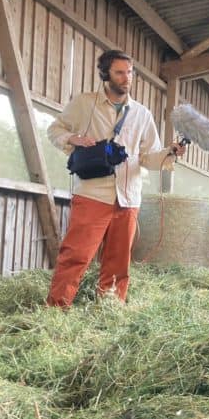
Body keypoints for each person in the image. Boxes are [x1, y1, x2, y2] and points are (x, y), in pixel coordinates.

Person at [46, 49, 186, 307]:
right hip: (92, 194)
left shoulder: (142, 114)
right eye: (120, 72)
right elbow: (54, 129)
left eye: (130, 72)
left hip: (129, 198)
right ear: (105, 74)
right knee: (76, 256)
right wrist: (72, 139)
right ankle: (57, 307)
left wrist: (170, 153)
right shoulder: (84, 103)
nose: (127, 78)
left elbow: (148, 156)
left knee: (118, 262)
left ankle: (109, 308)